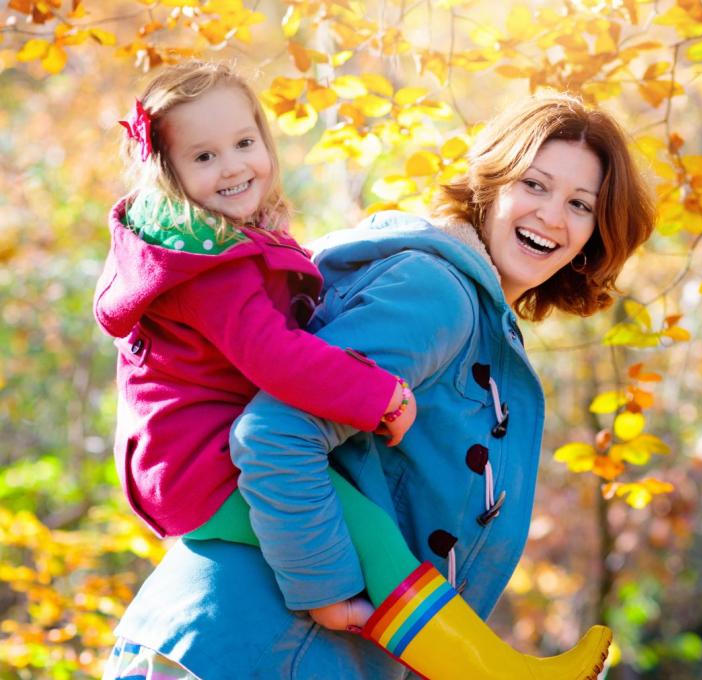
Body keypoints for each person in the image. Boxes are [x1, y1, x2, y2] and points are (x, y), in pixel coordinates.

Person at [102, 92, 655, 680]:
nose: (551, 215)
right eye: (535, 185)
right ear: (491, 183)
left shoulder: (474, 311)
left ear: (597, 231)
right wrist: (326, 585)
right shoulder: (436, 291)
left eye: (579, 203)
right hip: (250, 643)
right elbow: (274, 434)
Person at [93, 60, 417, 627]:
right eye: (204, 156)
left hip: (180, 457)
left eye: (244, 142)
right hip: (203, 466)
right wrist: (379, 394)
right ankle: (339, 608)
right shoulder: (209, 270)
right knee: (370, 534)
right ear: (167, 172)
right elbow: (276, 357)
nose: (233, 166)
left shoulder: (203, 240)